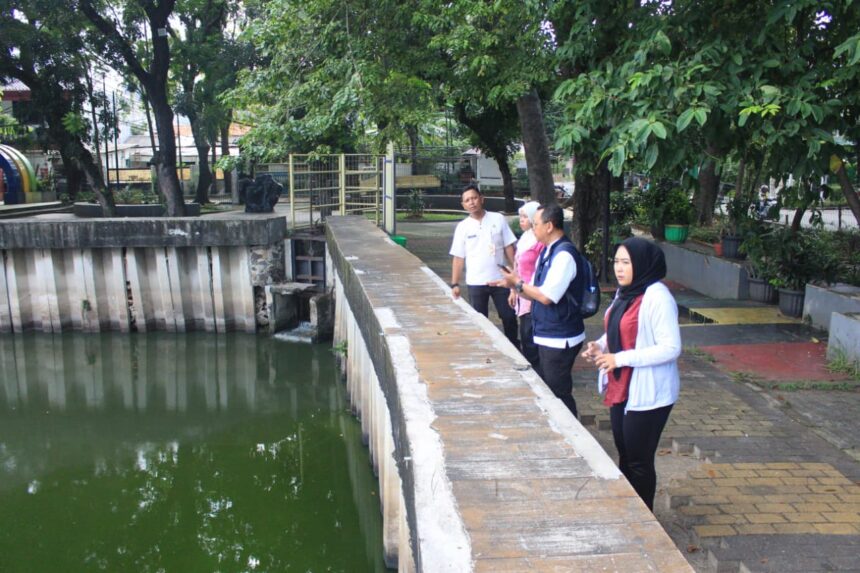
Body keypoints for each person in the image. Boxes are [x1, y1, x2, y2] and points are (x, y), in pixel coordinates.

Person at [581, 237, 680, 511]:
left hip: (649, 393)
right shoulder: (625, 292)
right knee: (624, 454)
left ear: (642, 264)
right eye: (616, 262)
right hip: (622, 386)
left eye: (626, 262)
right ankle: (630, 513)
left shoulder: (658, 297)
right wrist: (600, 346)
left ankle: (646, 518)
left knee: (639, 461)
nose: (619, 268)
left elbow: (671, 348)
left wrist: (619, 359)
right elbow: (618, 328)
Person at [496, 203, 584, 418]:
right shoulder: (547, 251)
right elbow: (534, 291)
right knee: (548, 387)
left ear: (549, 226)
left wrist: (518, 284)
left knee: (558, 392)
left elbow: (546, 296)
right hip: (545, 331)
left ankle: (572, 430)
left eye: (535, 224)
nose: (532, 228)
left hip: (560, 336)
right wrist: (514, 286)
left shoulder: (564, 255)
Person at [449, 184, 519, 347]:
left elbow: (508, 246)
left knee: (508, 316)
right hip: (476, 282)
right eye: (467, 200)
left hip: (501, 279)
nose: (471, 202)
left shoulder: (498, 219)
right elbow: (458, 257)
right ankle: (485, 350)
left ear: (482, 199)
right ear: (463, 205)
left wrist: (516, 272)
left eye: (474, 198)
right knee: (480, 320)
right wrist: (455, 284)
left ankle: (514, 346)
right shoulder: (462, 227)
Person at [508, 201, 543, 369]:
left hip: (533, 293)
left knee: (530, 334)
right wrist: (513, 290)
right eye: (520, 216)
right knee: (525, 332)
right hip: (521, 292)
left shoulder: (540, 241)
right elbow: (517, 265)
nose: (521, 220)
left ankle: (537, 370)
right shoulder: (524, 238)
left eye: (525, 217)